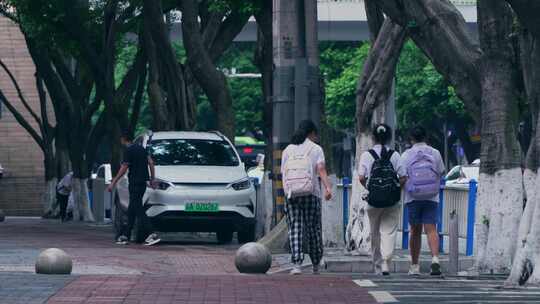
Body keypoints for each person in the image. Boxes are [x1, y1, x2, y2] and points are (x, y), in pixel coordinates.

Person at [281, 120, 333, 275]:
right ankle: (316, 264)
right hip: (311, 193)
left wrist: (287, 191)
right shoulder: (316, 149)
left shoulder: (288, 150)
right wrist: (328, 187)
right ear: (311, 133)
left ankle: (296, 264)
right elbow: (321, 169)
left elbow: (284, 173)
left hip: (291, 194)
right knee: (313, 229)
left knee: (295, 227)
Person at [399, 126, 445, 276]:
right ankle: (435, 259)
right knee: (431, 229)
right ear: (426, 137)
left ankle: (415, 265)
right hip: (432, 196)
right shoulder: (435, 153)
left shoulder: (406, 155)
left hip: (413, 197)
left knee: (415, 231)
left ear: (411, 139)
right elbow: (441, 171)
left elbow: (402, 176)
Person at [358, 124, 402, 276]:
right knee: (388, 232)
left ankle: (377, 266)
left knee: (375, 233)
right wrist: (394, 189)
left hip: (373, 201)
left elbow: (361, 177)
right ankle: (386, 263)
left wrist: (371, 188)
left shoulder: (366, 155)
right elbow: (403, 177)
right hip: (392, 201)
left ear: (373, 138)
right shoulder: (395, 155)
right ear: (389, 137)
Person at [107, 130, 161, 246]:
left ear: (123, 139)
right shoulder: (142, 149)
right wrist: (152, 179)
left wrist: (114, 182)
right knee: (132, 209)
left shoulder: (128, 150)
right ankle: (125, 235)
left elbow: (124, 167)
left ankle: (152, 233)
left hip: (134, 183)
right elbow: (151, 163)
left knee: (138, 209)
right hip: (142, 184)